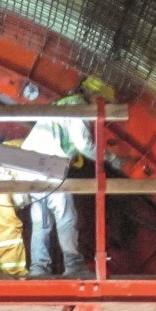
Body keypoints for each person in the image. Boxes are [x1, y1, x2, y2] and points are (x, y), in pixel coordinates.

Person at [20, 93, 96, 277]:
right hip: (48, 165)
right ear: (95, 97)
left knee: (41, 221)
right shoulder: (78, 108)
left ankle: (38, 269)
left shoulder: (61, 105)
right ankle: (74, 266)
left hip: (28, 166)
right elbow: (83, 144)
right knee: (66, 216)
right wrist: (111, 158)